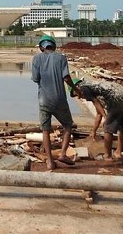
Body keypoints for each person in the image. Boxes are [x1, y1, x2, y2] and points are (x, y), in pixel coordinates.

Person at [31, 34, 80, 171]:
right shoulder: (61, 58)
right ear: (54, 46)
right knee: (68, 125)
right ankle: (63, 154)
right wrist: (76, 89)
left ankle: (50, 162)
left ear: (42, 47)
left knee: (45, 130)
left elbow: (35, 78)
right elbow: (66, 77)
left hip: (43, 100)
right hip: (59, 99)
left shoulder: (36, 59)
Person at [71, 78, 123, 162]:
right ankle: (118, 153)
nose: (78, 97)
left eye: (75, 94)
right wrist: (93, 131)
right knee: (122, 127)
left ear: (76, 87)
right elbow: (98, 113)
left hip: (116, 97)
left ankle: (107, 156)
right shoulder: (93, 86)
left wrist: (105, 117)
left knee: (108, 128)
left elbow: (96, 104)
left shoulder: (83, 88)